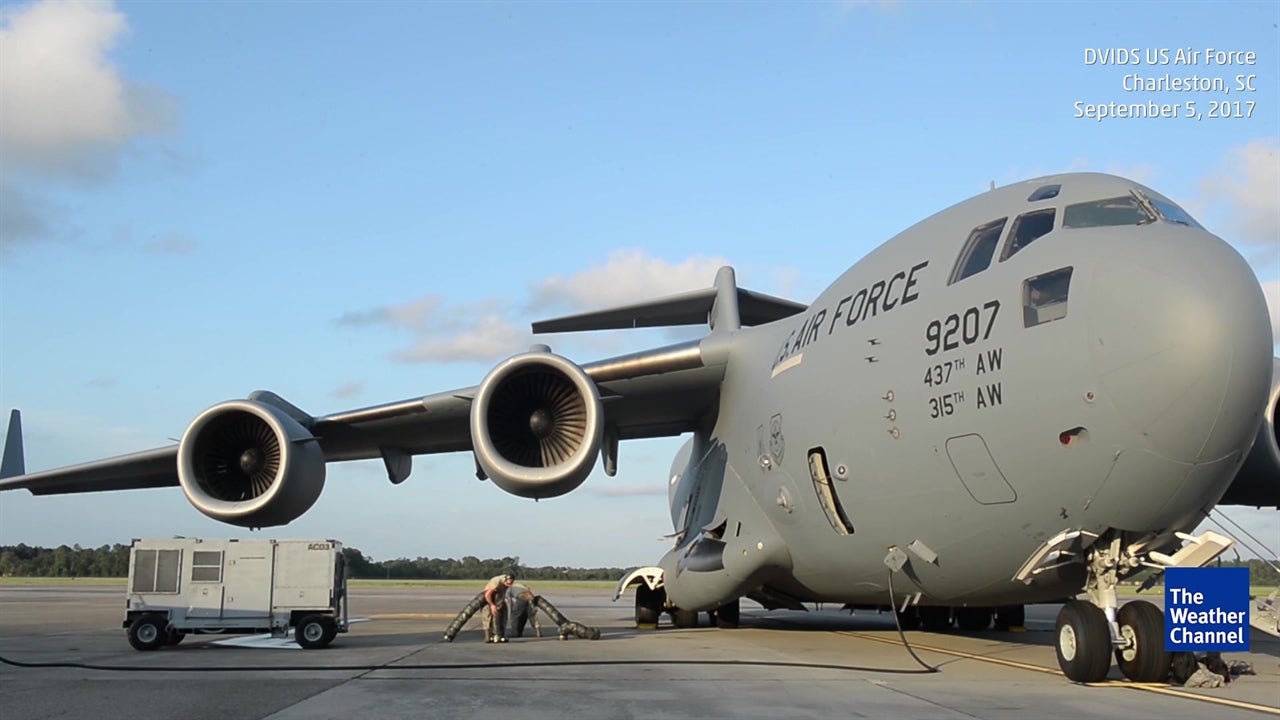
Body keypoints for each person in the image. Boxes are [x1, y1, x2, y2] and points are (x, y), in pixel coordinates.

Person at [482, 573, 515, 643]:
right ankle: (489, 635)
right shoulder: (496, 583)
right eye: (507, 583)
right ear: (505, 580)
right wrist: (492, 605)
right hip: (488, 598)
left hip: (499, 598)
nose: (509, 585)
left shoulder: (507, 584)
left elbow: (503, 594)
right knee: (488, 615)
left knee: (502, 615)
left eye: (510, 584)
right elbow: (487, 594)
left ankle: (500, 634)